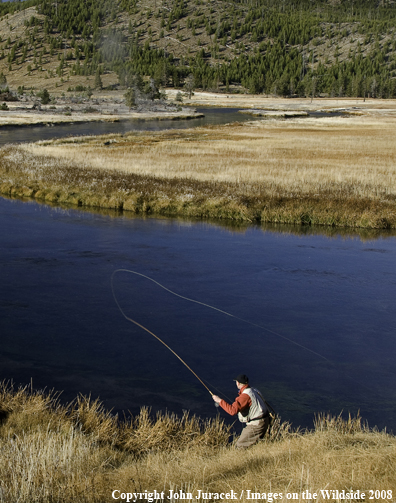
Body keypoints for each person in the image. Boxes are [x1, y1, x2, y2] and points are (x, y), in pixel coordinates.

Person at [212, 374, 271, 449]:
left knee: (240, 445)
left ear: (238, 383)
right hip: (264, 421)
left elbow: (232, 411)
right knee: (252, 445)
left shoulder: (245, 396)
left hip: (256, 425)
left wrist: (219, 401)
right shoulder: (254, 390)